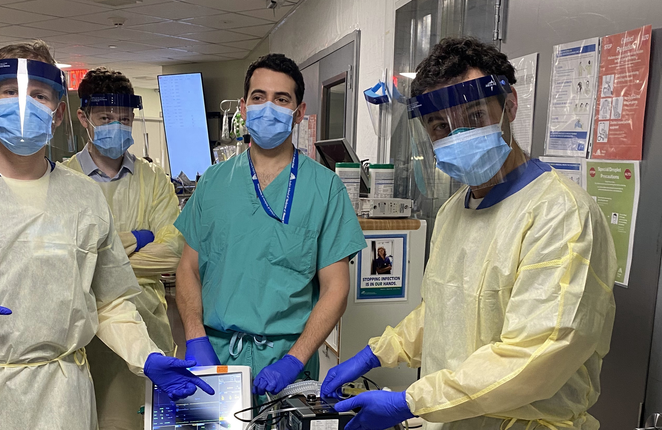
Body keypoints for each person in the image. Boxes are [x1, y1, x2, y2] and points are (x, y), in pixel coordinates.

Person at [0, 41, 211, 430]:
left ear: (57, 111)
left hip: (59, 399)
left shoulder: (82, 195)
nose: (23, 105)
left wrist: (145, 356)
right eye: (9, 93)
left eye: (38, 95)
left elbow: (109, 302)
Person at [323, 37, 617, 430]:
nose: (457, 136)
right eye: (441, 126)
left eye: (474, 116)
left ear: (509, 105)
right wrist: (380, 352)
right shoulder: (452, 211)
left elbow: (535, 355)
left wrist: (411, 401)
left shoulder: (560, 214)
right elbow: (447, 311)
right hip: (453, 419)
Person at [175, 53, 366, 396]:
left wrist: (295, 358)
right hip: (215, 360)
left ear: (299, 112)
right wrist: (194, 337)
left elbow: (335, 288)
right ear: (244, 108)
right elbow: (188, 269)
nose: (268, 107)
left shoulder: (325, 189)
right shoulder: (213, 183)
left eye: (281, 99)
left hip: (289, 363)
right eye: (258, 97)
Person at [64, 67, 183, 430]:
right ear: (84, 118)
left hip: (148, 325)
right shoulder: (62, 181)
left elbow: (173, 252)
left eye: (124, 118)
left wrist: (99, 262)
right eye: (105, 118)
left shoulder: (154, 181)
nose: (116, 125)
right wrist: (138, 238)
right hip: (85, 335)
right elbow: (64, 262)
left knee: (144, 419)